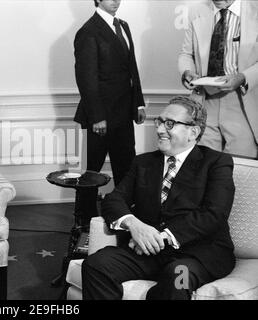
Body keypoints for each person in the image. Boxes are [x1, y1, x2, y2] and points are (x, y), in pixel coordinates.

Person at [82, 96, 236, 300]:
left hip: (196, 254)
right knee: (96, 265)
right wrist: (134, 225)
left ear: (193, 131)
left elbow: (214, 214)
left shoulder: (216, 163)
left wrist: (157, 237)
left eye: (170, 123)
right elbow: (113, 200)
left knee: (176, 280)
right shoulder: (143, 162)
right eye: (160, 121)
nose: (160, 129)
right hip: (148, 253)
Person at [73, 0, 146, 228]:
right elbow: (86, 78)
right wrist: (97, 116)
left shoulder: (123, 25)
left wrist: (139, 103)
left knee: (126, 167)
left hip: (124, 112)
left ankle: (123, 215)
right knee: (92, 170)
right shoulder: (87, 31)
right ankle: (84, 219)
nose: (115, 1)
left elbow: (131, 68)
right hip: (100, 116)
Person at [179, 0, 258, 158]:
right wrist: (187, 72)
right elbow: (186, 53)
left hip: (243, 99)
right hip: (205, 101)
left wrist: (243, 77)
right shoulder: (197, 11)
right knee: (205, 164)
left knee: (241, 163)